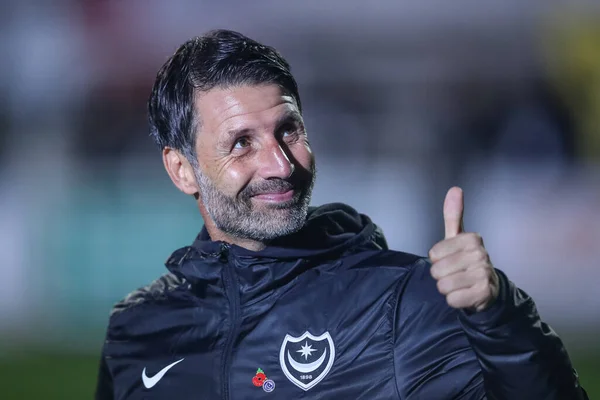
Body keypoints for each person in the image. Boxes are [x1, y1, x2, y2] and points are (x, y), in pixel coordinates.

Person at [95, 29, 588, 399]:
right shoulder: (137, 331)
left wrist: (497, 315)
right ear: (182, 170)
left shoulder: (401, 304)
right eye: (242, 143)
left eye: (288, 130)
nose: (280, 165)